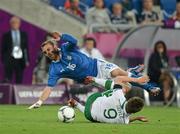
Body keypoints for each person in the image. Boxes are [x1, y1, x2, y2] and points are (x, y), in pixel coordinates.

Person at [28, 32, 159, 109]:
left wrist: (62, 35)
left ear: (54, 46)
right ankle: (132, 71)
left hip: (97, 65)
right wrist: (39, 102)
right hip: (92, 79)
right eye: (45, 53)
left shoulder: (65, 48)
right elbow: (49, 88)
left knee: (118, 73)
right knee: (124, 87)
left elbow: (74, 40)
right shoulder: (54, 69)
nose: (48, 53)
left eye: (49, 50)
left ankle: (148, 87)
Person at [68, 76, 148, 124]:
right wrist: (137, 118)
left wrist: (137, 80)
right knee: (100, 116)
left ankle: (93, 81)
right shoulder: (123, 121)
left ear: (129, 100)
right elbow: (127, 119)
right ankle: (76, 104)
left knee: (125, 87)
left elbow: (118, 78)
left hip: (92, 99)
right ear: (133, 112)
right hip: (88, 115)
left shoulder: (119, 96)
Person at [1, 16, 29, 84]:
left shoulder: (23, 34)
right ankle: (7, 92)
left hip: (20, 59)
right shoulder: (6, 35)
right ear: (10, 24)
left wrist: (27, 60)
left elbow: (26, 48)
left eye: (16, 23)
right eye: (13, 23)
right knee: (7, 78)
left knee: (19, 78)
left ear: (19, 24)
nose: (15, 24)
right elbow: (3, 49)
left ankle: (17, 93)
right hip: (9, 59)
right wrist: (4, 60)